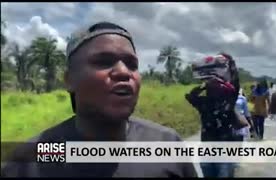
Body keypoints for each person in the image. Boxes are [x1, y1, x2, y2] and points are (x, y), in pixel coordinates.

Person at [1, 22, 198, 178]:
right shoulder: (29, 160)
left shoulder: (166, 144)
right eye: (103, 61)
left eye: (131, 64)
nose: (123, 72)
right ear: (69, 80)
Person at [185, 53, 249, 177]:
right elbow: (191, 96)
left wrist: (231, 64)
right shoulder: (204, 104)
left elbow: (235, 85)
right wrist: (205, 85)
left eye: (216, 87)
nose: (213, 88)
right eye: (211, 88)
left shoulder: (227, 103)